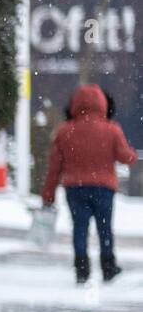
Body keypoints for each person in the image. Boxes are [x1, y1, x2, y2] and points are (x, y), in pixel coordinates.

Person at [41, 84, 137, 284]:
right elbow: (125, 156)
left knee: (79, 228)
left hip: (75, 189)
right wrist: (132, 155)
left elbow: (54, 167)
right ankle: (108, 266)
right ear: (102, 104)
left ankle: (82, 268)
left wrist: (48, 194)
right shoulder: (111, 130)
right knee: (105, 229)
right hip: (104, 188)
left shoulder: (65, 131)